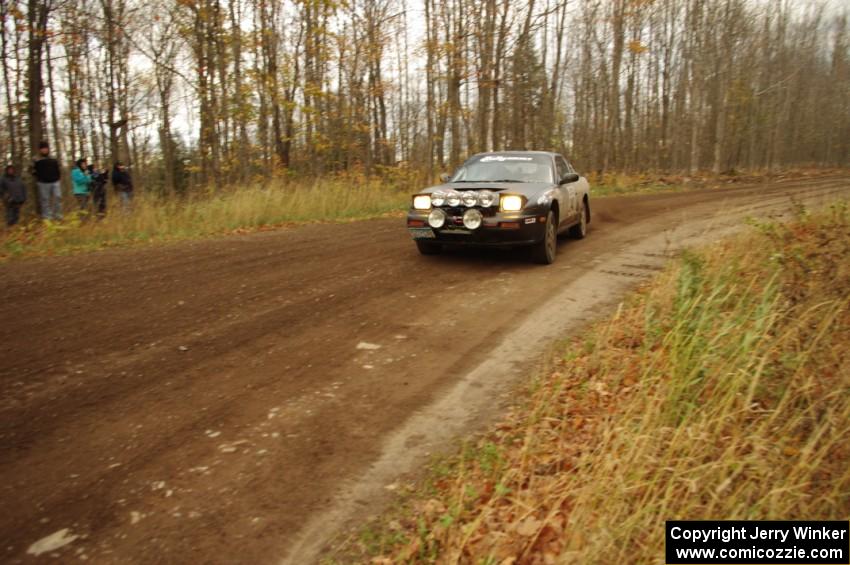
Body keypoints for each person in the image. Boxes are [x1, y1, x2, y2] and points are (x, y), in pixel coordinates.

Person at [33, 140, 62, 220]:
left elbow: (58, 168)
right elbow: (31, 170)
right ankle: (47, 217)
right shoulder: (36, 159)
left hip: (55, 181)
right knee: (45, 200)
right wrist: (38, 176)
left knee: (58, 197)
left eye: (46, 148)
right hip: (43, 183)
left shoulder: (53, 158)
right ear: (40, 150)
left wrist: (58, 176)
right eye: (42, 148)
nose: (44, 150)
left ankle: (57, 215)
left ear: (48, 149)